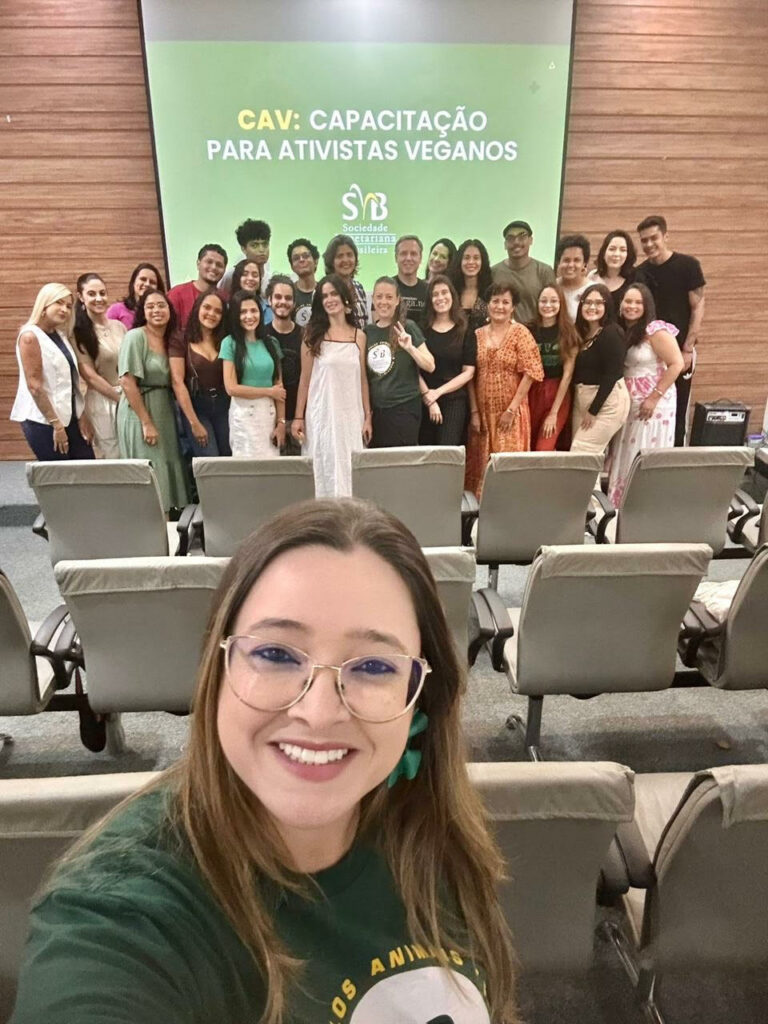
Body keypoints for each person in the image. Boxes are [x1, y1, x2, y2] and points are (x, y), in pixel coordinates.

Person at [12, 499, 518, 1023]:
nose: (318, 714)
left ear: (420, 700)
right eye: (275, 654)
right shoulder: (125, 913)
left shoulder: (429, 827)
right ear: (218, 669)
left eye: (372, 666)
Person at [292, 275, 372, 496]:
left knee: (349, 470)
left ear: (344, 298)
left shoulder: (359, 337)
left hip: (351, 416)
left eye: (334, 293)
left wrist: (368, 416)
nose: (329, 299)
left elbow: (362, 379)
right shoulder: (311, 336)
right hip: (322, 416)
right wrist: (298, 417)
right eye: (325, 296)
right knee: (323, 468)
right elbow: (305, 379)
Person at [607, 284, 684, 507]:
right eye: (628, 301)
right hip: (629, 404)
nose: (632, 306)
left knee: (641, 452)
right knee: (626, 451)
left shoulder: (655, 331)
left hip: (653, 407)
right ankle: (620, 504)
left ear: (647, 306)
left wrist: (653, 398)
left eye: (638, 302)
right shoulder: (623, 331)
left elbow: (676, 363)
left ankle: (644, 505)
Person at [465, 284, 544, 497]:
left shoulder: (520, 333)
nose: (499, 306)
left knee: (509, 468)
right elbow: (469, 375)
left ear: (513, 307)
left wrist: (511, 410)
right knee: (482, 468)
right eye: (495, 301)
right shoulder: (476, 335)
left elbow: (531, 372)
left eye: (505, 302)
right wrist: (474, 412)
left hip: (511, 415)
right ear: (488, 304)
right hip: (483, 416)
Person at [634, 215, 706, 446]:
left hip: (679, 352)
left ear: (666, 236)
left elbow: (698, 307)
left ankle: (674, 456)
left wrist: (687, 349)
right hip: (649, 355)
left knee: (678, 410)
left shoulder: (688, 266)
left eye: (653, 238)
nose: (649, 244)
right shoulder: (639, 273)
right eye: (644, 240)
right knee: (648, 407)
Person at [117, 289, 190, 510]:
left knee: (167, 467)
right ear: (143, 312)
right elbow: (127, 381)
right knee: (151, 470)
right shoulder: (135, 337)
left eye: (161, 305)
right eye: (150, 306)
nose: (156, 310)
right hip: (140, 411)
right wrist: (146, 422)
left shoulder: (171, 339)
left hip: (164, 410)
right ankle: (153, 527)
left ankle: (169, 523)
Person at [10, 283, 94, 461]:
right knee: (60, 474)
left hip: (69, 416)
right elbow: (34, 386)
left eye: (69, 306)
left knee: (87, 468)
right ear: (44, 304)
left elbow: (70, 381)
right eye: (59, 303)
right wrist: (56, 425)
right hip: (44, 420)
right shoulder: (30, 337)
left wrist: (81, 414)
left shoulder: (60, 335)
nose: (64, 310)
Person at [365, 277, 435, 447]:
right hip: (378, 411)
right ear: (373, 299)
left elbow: (430, 365)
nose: (383, 302)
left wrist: (410, 348)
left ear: (397, 300)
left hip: (404, 407)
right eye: (379, 297)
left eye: (389, 297)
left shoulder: (407, 327)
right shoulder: (368, 332)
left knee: (402, 459)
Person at [220, 291, 285, 459]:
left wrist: (281, 422)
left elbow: (279, 388)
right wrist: (268, 392)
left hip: (268, 415)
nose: (249, 316)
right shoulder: (229, 343)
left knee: (271, 466)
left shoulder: (272, 343)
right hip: (243, 416)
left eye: (254, 311)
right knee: (246, 467)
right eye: (243, 312)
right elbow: (231, 388)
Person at [169, 290, 231, 457]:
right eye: (207, 308)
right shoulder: (180, 338)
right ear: (197, 308)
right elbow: (177, 381)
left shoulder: (226, 339)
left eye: (218, 311)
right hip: (196, 407)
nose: (211, 314)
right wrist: (194, 422)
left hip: (224, 406)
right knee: (210, 459)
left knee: (228, 457)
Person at [570, 284, 630, 455]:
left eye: (598, 303)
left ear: (607, 306)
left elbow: (612, 374)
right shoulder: (581, 332)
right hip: (581, 398)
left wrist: (593, 410)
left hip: (607, 402)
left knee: (581, 452)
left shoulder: (612, 333)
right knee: (579, 455)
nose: (592, 307)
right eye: (588, 302)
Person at [73, 273, 126, 458]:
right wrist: (120, 399)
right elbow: (90, 377)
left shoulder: (119, 326)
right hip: (103, 402)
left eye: (102, 293)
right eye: (92, 294)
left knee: (133, 452)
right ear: (81, 297)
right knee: (113, 456)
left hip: (127, 395)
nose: (99, 298)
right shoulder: (79, 332)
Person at [418, 276, 475, 446]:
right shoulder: (421, 329)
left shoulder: (465, 329)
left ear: (452, 295)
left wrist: (438, 392)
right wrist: (428, 397)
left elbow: (468, 372)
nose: (440, 298)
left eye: (444, 292)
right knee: (425, 453)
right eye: (435, 294)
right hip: (425, 399)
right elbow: (414, 369)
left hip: (454, 400)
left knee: (448, 451)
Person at [527, 284, 578, 451]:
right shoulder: (528, 330)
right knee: (527, 446)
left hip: (557, 393)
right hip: (531, 390)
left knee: (543, 448)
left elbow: (567, 375)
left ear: (561, 303)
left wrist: (554, 413)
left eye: (554, 301)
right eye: (543, 301)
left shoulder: (568, 332)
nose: (548, 305)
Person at [264, 275, 303, 454]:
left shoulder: (305, 336)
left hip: (299, 419)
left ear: (294, 303)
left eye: (288, 298)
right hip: (267, 419)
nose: (283, 302)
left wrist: (300, 417)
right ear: (269, 300)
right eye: (278, 297)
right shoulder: (261, 336)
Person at [490, 220, 556, 325]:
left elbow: (553, 307)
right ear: (505, 245)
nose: (516, 242)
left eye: (522, 236)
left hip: (536, 332)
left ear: (531, 240)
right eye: (510, 238)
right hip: (501, 332)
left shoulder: (544, 271)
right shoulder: (493, 272)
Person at [167, 244, 228, 330]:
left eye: (219, 265)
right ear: (198, 264)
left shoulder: (226, 299)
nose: (214, 267)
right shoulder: (177, 294)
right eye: (209, 262)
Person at [323, 235, 367, 329]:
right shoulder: (323, 290)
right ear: (331, 261)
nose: (345, 260)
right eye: (340, 256)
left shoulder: (359, 288)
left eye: (349, 255)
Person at [220, 218, 272, 297]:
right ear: (243, 249)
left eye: (265, 244)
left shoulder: (270, 280)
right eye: (254, 245)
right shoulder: (231, 275)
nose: (261, 250)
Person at [587, 230, 636, 312]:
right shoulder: (592, 277)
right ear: (604, 252)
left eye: (623, 250)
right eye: (612, 249)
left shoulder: (635, 278)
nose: (616, 254)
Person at [107, 262, 166, 331]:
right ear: (133, 282)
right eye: (143, 279)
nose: (147, 284)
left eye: (152, 282)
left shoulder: (159, 314)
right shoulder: (116, 310)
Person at [450, 239, 492, 335]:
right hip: (453, 343)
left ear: (482, 261)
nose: (471, 262)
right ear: (460, 261)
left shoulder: (491, 292)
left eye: (476, 258)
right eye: (466, 258)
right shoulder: (451, 290)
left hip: (484, 342)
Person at [394, 235, 428, 328]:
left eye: (413, 254)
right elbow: (379, 325)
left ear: (420, 258)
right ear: (396, 257)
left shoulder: (429, 290)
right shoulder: (386, 287)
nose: (408, 258)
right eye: (403, 253)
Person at [555, 234, 591, 320]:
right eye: (566, 260)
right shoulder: (553, 287)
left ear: (584, 264)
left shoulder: (593, 290)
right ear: (559, 262)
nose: (571, 265)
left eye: (576, 260)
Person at [287, 237, 319, 328]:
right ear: (292, 266)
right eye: (296, 258)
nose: (301, 260)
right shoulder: (288, 293)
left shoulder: (325, 291)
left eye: (306, 256)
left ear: (315, 261)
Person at [230, 259, 273, 326]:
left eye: (255, 275)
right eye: (245, 274)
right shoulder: (228, 308)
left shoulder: (270, 309)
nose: (250, 278)